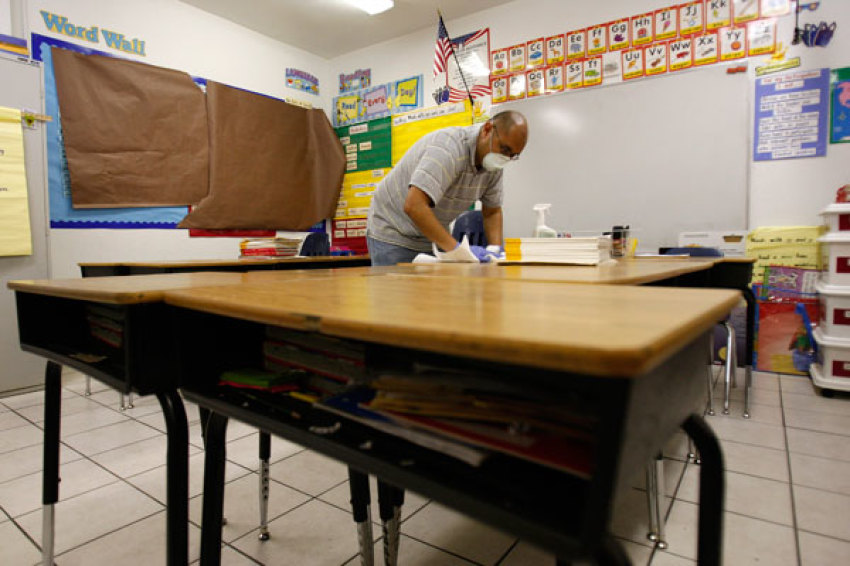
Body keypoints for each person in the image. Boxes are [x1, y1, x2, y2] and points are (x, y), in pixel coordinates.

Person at [366, 110, 528, 266]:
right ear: (487, 130)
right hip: (394, 230)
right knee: (395, 292)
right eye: (505, 149)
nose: (505, 158)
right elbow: (414, 205)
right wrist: (457, 250)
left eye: (512, 155)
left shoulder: (493, 166)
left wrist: (495, 251)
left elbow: (492, 211)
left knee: (435, 292)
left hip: (429, 236)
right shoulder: (448, 149)